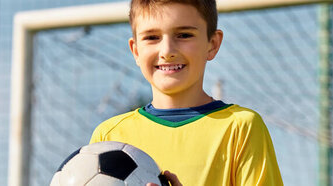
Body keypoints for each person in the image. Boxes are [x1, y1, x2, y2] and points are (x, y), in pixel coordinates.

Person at [89, 0, 283, 185]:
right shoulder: (109, 136)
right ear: (136, 50)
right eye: (152, 37)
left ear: (213, 44)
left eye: (184, 35)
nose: (167, 51)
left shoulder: (241, 128)